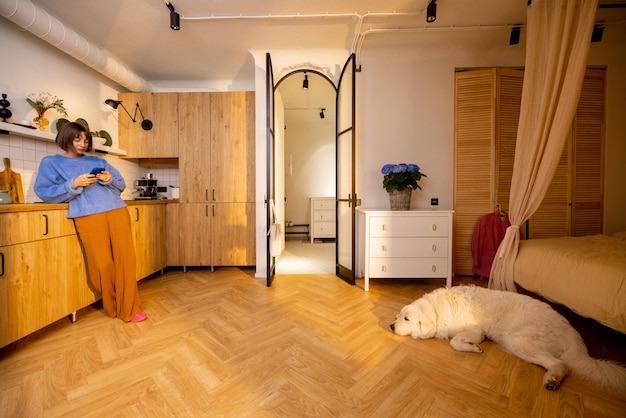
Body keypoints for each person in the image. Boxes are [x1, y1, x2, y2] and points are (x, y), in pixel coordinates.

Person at [34, 122, 147, 323]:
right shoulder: (51, 162)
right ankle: (113, 305)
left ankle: (130, 307)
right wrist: (73, 184)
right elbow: (44, 192)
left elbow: (120, 185)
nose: (82, 143)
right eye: (78, 139)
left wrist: (109, 179)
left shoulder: (98, 160)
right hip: (88, 214)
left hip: (117, 210)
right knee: (102, 264)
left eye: (86, 140)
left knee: (126, 260)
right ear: (66, 137)